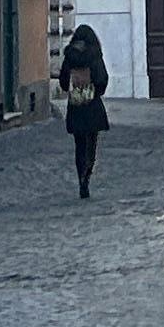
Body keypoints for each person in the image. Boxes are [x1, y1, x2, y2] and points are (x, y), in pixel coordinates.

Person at [58, 22, 110, 196]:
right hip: (92, 105)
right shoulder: (94, 55)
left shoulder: (70, 56)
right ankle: (87, 175)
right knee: (92, 143)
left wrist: (73, 89)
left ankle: (81, 176)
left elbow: (63, 81)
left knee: (79, 145)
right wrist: (96, 91)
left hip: (76, 105)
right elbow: (102, 78)